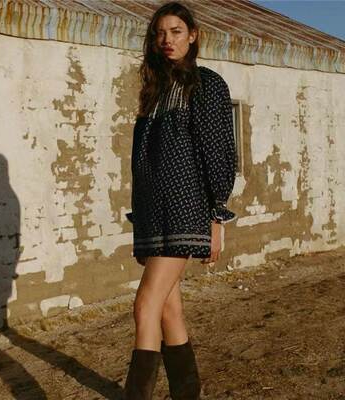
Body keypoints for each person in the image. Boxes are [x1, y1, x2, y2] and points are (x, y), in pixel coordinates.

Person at [123, 2, 237, 399]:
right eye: (160, 33)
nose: (166, 40)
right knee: (168, 310)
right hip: (154, 215)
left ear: (192, 35)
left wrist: (216, 218)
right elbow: (141, 163)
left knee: (145, 305)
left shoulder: (206, 85)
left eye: (175, 31)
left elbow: (218, 153)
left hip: (186, 211)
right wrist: (141, 220)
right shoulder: (154, 91)